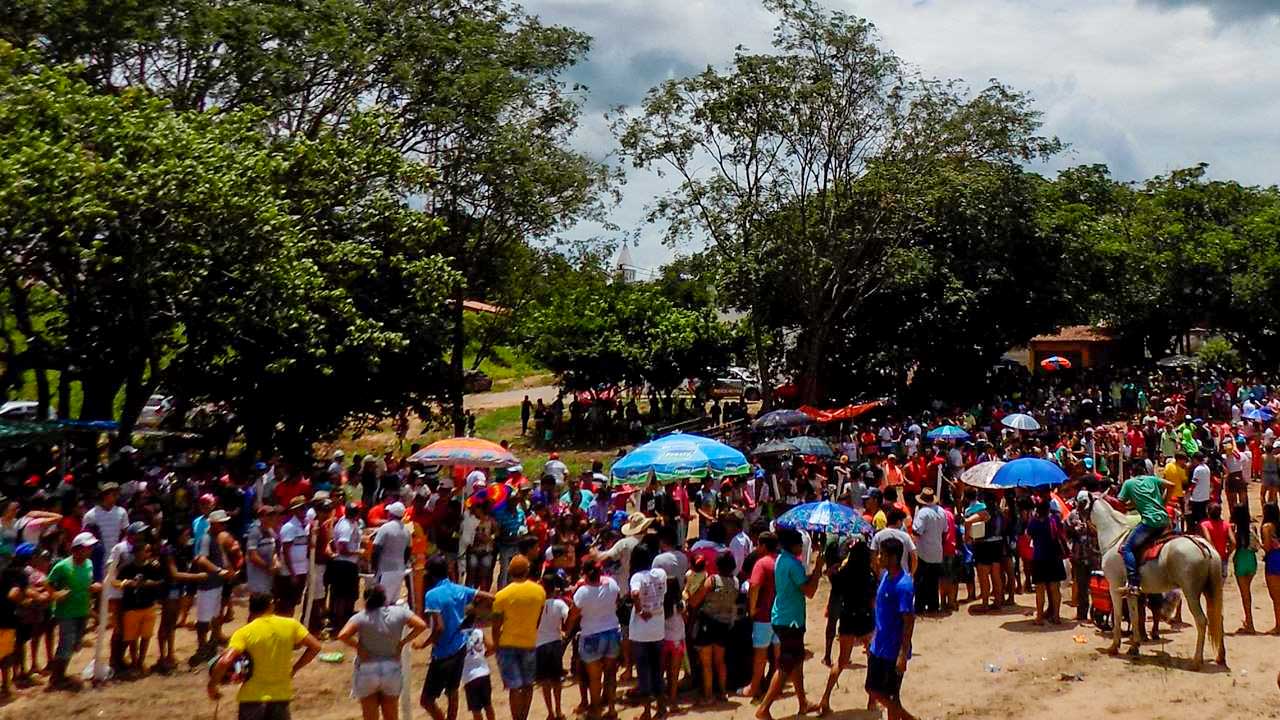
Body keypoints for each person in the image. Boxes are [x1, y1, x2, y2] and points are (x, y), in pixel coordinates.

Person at [208, 592, 322, 720]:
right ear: (271, 606)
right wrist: (295, 668)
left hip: (251, 697)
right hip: (280, 695)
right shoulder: (291, 625)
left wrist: (212, 685)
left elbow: (225, 661)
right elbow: (315, 647)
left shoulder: (244, 633)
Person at [756, 528, 824, 720]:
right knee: (786, 665)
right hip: (790, 620)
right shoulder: (793, 564)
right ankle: (764, 708)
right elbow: (809, 591)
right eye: (800, 545)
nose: (802, 548)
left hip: (784, 616)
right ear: (794, 545)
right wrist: (818, 570)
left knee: (797, 662)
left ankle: (802, 702)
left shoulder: (782, 560)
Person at [336, 584, 428, 720]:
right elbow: (421, 625)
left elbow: (342, 635)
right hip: (391, 667)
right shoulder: (398, 612)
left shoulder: (361, 617)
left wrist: (359, 647)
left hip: (368, 668)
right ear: (384, 599)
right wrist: (402, 642)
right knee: (391, 715)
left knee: (370, 716)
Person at [419, 555, 495, 720]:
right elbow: (488, 596)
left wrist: (425, 644)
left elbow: (439, 628)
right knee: (452, 692)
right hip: (460, 648)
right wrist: (478, 614)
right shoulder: (459, 589)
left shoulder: (432, 595)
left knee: (427, 700)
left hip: (442, 652)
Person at [818, 533, 876, 716]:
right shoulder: (870, 575)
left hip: (848, 616)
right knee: (871, 659)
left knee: (842, 661)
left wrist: (832, 569)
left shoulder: (844, 573)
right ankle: (871, 701)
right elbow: (874, 601)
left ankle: (825, 698)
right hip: (866, 617)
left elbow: (835, 588)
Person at [866, 537, 916, 720]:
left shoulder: (903, 586)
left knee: (889, 695)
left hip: (892, 650)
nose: (878, 557)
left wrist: (902, 654)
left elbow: (909, 621)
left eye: (882, 554)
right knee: (873, 689)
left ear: (893, 558)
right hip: (879, 644)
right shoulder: (886, 576)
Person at [491, 555, 545, 720]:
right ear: (527, 570)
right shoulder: (539, 591)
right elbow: (538, 619)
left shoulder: (502, 595)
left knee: (514, 687)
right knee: (528, 684)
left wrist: (496, 645)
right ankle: (524, 717)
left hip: (507, 643)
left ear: (510, 571)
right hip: (529, 641)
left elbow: (495, 626)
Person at [47, 531, 99, 691]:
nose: (90, 550)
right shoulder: (62, 566)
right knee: (66, 644)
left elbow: (89, 582)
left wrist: (94, 587)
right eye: (87, 547)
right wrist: (56, 594)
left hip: (82, 610)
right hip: (67, 612)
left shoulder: (89, 563)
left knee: (76, 644)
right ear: (77, 549)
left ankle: (61, 673)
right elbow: (48, 583)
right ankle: (56, 677)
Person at [572, 555, 621, 720]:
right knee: (610, 673)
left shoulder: (582, 593)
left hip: (591, 634)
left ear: (585, 574)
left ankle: (596, 710)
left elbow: (573, 615)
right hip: (612, 632)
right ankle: (612, 709)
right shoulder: (612, 584)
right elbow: (617, 601)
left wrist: (566, 628)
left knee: (594, 678)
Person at [689, 550, 738, 705]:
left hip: (708, 622)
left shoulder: (712, 580)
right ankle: (723, 692)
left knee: (706, 663)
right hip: (724, 624)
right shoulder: (735, 582)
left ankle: (708, 695)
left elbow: (695, 601)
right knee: (720, 661)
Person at [113, 539, 166, 676]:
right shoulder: (127, 567)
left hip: (148, 605)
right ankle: (135, 662)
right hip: (131, 607)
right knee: (132, 638)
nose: (148, 553)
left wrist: (147, 584)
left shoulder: (153, 567)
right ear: (137, 552)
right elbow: (115, 581)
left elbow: (160, 581)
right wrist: (128, 583)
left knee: (146, 636)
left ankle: (141, 661)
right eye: (146, 550)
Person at [628, 546, 668, 720]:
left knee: (643, 671)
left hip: (641, 631)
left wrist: (639, 611)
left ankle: (646, 711)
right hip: (658, 627)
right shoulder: (661, 574)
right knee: (657, 670)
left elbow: (635, 593)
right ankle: (661, 707)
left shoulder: (637, 577)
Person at [1116, 473, 1173, 595]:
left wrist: (1132, 504)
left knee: (1127, 548)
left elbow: (1120, 503)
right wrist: (1164, 502)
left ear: (1132, 473)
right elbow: (1171, 485)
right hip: (1165, 520)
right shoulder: (1152, 479)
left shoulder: (1128, 483)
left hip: (1149, 522)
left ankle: (1133, 583)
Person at [744, 531, 779, 700]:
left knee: (760, 656)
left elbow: (755, 586)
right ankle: (774, 688)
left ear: (763, 545)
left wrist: (751, 609)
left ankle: (755, 688)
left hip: (763, 615)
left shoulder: (761, 563)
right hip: (780, 615)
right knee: (778, 657)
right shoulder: (782, 561)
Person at [533, 573, 569, 720]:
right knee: (556, 680)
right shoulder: (560, 604)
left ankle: (550, 712)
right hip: (555, 643)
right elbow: (568, 615)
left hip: (540, 644)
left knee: (545, 681)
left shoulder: (536, 604)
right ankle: (559, 710)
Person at [1026, 498, 1066, 624]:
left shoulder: (1034, 522)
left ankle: (1039, 618)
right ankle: (1056, 616)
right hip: (1054, 558)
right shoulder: (1054, 520)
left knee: (1040, 589)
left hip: (1039, 558)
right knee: (1055, 588)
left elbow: (1028, 536)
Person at [1065, 492, 1101, 622]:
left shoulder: (1095, 515)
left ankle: (1097, 614)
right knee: (1081, 587)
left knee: (1097, 587)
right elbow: (1066, 531)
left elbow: (1100, 532)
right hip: (1079, 555)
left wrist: (1089, 526)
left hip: (1094, 555)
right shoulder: (1073, 515)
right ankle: (1082, 613)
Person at [909, 487, 946, 614]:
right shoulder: (941, 511)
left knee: (920, 581)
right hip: (937, 550)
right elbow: (945, 531)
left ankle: (919, 607)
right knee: (933, 581)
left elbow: (916, 531)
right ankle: (933, 606)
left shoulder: (923, 513)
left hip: (924, 551)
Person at [1230, 504, 1260, 634]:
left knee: (1245, 594)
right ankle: (1249, 622)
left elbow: (1233, 545)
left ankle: (1250, 623)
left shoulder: (1235, 528)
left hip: (1241, 558)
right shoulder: (1252, 527)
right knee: (1248, 592)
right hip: (1251, 558)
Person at [373, 501, 410, 600]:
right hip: (399, 570)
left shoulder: (385, 528)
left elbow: (376, 549)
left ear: (391, 514)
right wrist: (403, 564)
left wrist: (374, 566)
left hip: (385, 570)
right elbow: (408, 551)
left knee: (381, 600)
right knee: (393, 599)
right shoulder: (406, 531)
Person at [461, 619, 496, 720]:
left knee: (476, 710)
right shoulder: (479, 632)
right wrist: (484, 655)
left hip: (469, 676)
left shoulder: (459, 636)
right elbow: (492, 647)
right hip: (484, 672)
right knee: (488, 705)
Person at [1261, 503, 1280, 635]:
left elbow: (1267, 547)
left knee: (1276, 597)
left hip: (1273, 560)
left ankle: (1278, 625)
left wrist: (1260, 545)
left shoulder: (1267, 527)